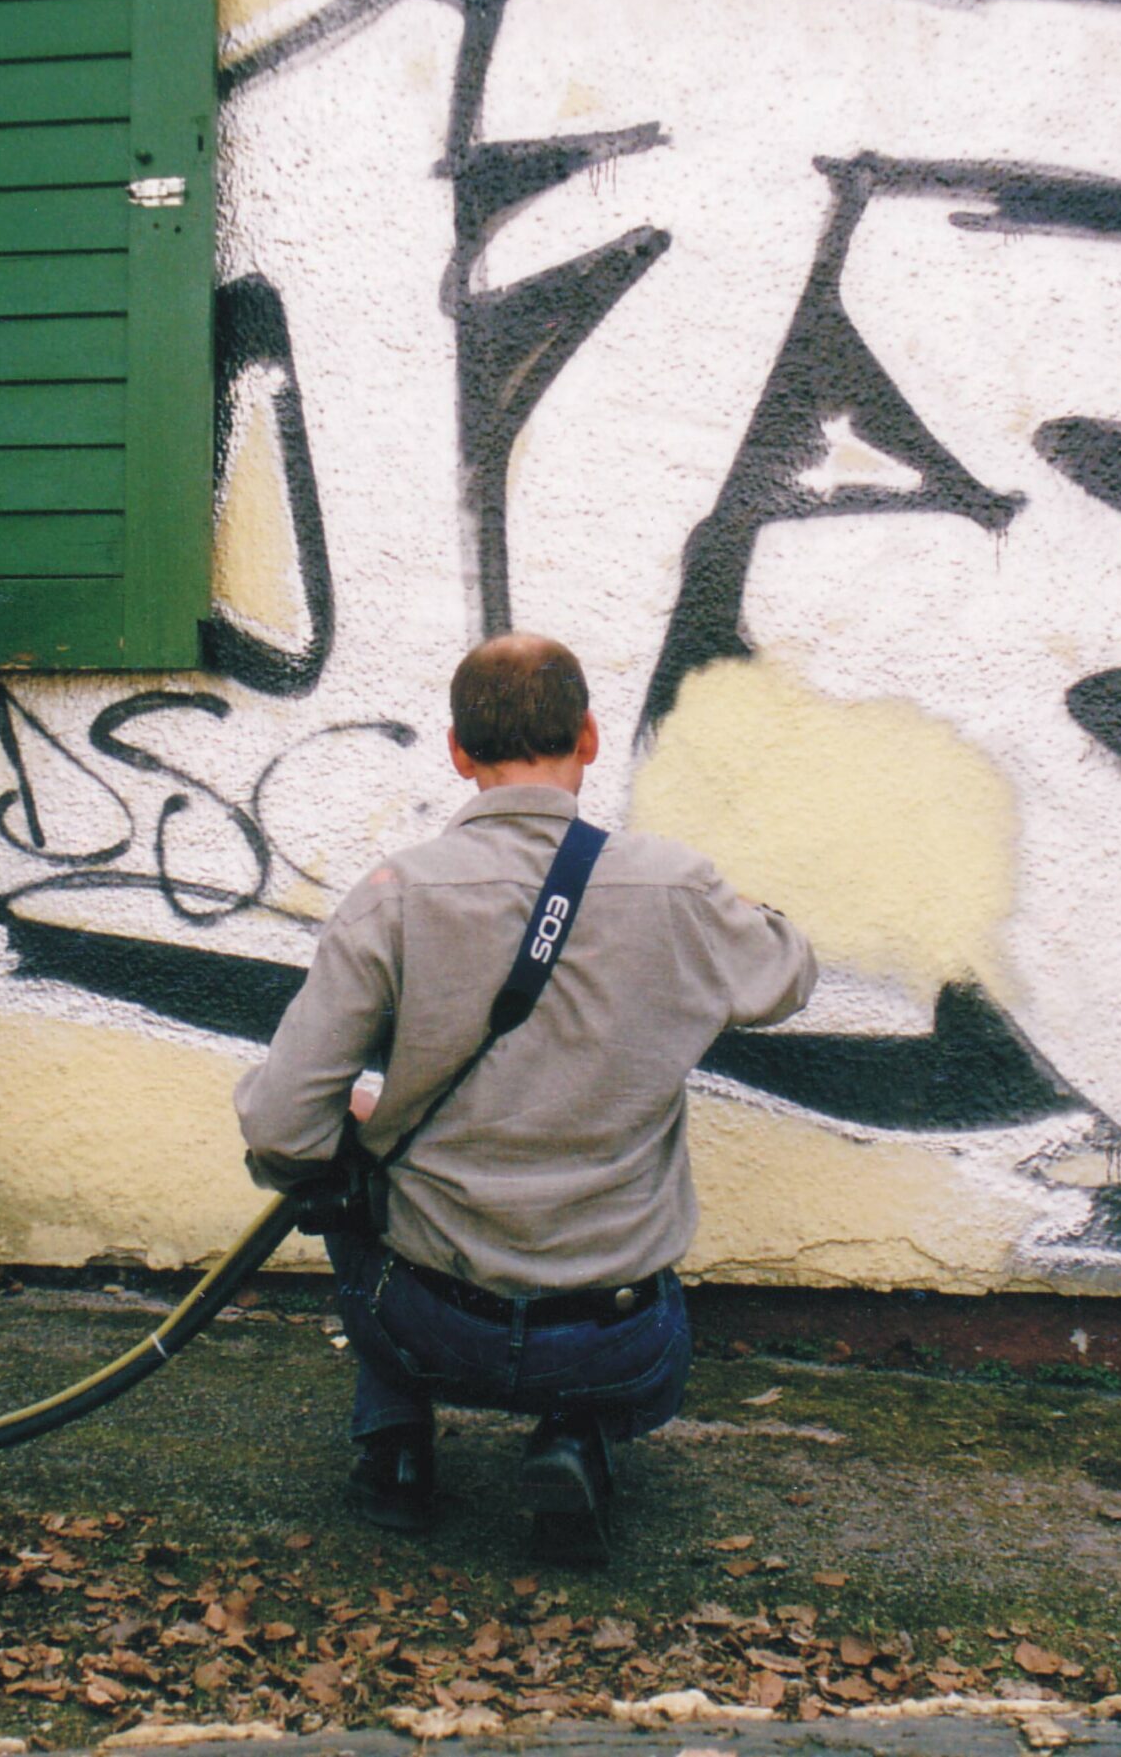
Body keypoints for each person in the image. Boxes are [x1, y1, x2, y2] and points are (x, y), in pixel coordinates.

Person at [235, 633, 819, 1553]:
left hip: (430, 1324)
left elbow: (280, 1129)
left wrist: (364, 1129)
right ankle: (577, 1436)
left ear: (457, 751)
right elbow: (786, 979)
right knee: (635, 1308)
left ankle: (396, 1450)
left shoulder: (392, 895)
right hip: (618, 1340)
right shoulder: (676, 883)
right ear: (588, 737)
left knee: (348, 1174)